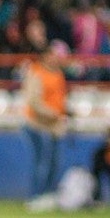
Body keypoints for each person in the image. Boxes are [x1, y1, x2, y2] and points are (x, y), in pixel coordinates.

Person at [21, 42, 68, 200]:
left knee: (53, 163)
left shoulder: (57, 74)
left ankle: (47, 194)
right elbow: (33, 102)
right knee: (42, 161)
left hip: (53, 126)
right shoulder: (36, 73)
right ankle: (37, 195)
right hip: (37, 124)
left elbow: (59, 98)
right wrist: (52, 113)